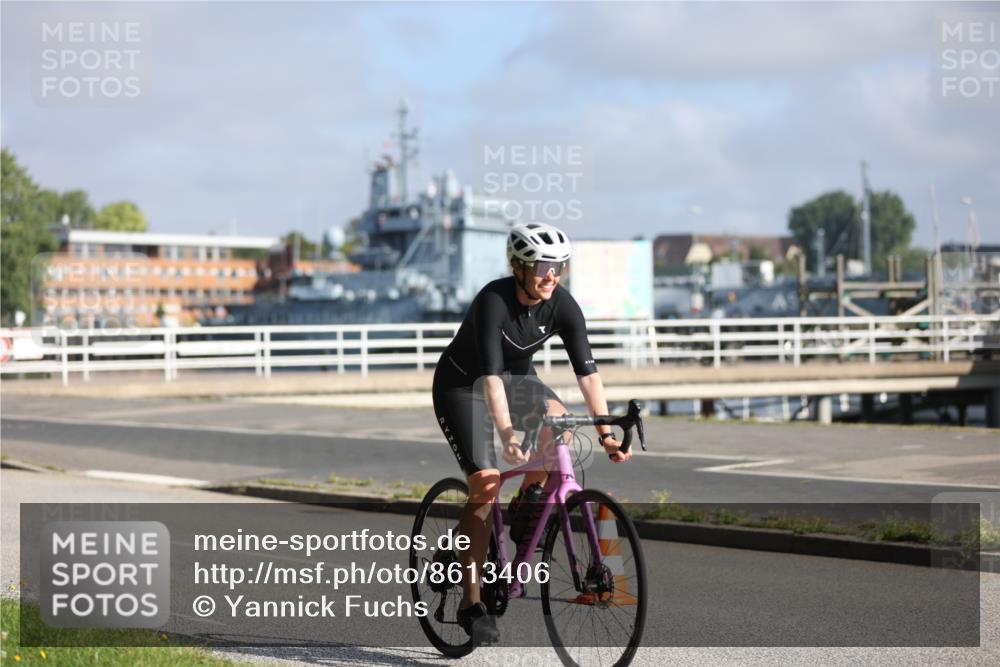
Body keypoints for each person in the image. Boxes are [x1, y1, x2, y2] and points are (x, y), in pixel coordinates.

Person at [432, 222, 632, 645]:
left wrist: (605, 432)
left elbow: (588, 375)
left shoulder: (562, 304)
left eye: (559, 266)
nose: (551, 275)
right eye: (542, 266)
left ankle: (527, 506)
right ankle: (471, 603)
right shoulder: (493, 301)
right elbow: (490, 380)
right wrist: (506, 432)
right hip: (464, 386)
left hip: (519, 382)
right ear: (517, 266)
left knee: (560, 426)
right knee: (486, 484)